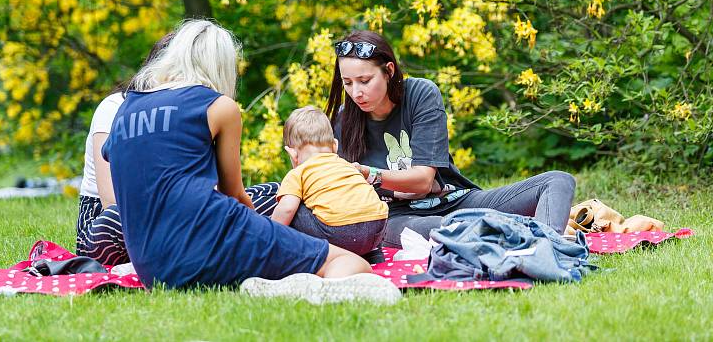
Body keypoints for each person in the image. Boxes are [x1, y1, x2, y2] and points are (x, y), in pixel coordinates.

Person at [101, 19, 400, 303]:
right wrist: (266, 234)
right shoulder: (218, 106)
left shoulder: (124, 110)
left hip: (152, 266)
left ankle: (273, 281)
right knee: (351, 263)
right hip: (208, 236)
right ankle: (307, 292)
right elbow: (234, 193)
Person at [324, 30, 576, 248]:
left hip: (454, 201)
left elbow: (423, 181)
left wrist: (369, 174)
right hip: (396, 219)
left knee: (557, 182)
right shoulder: (343, 120)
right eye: (347, 83)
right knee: (448, 229)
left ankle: (548, 246)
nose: (356, 92)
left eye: (365, 80)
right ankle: (523, 237)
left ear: (389, 71)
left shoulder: (420, 94)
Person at [76, 32, 175, 265]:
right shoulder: (114, 108)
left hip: (173, 214)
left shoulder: (191, 111)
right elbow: (110, 199)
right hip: (111, 220)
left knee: (272, 193)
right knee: (113, 219)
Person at [272, 106, 388, 260]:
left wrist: (270, 233)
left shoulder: (298, 172)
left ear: (292, 154)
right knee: (362, 201)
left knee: (293, 206)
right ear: (335, 146)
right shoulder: (348, 166)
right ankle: (372, 254)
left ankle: (304, 256)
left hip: (338, 235)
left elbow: (287, 209)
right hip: (377, 228)